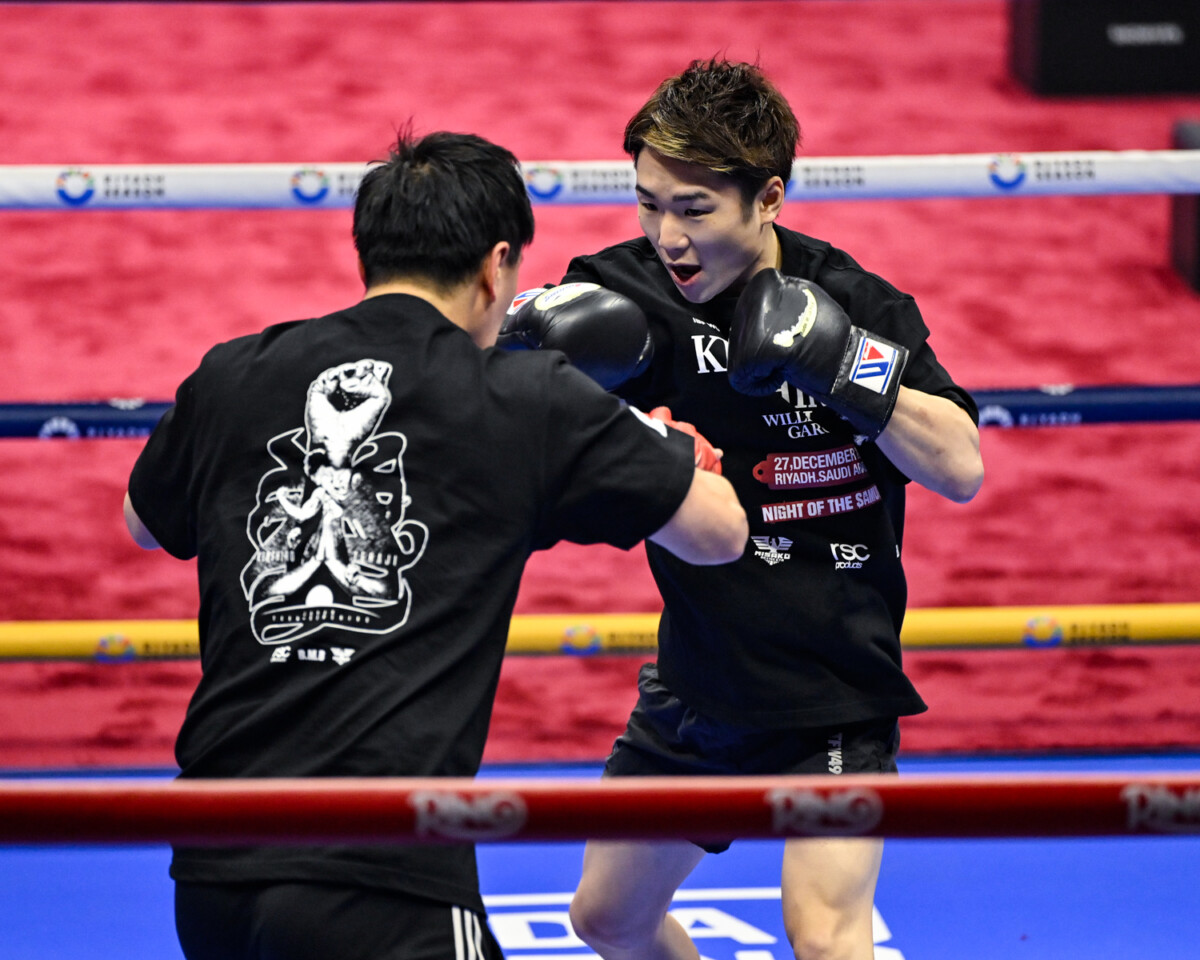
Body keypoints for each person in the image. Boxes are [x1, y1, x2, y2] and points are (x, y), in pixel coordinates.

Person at [123, 128, 748, 960]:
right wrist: (646, 432)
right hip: (385, 881)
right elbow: (720, 535)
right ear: (498, 266)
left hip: (211, 874)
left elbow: (140, 521)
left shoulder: (234, 371)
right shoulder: (524, 398)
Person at [498, 60, 984, 960]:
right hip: (697, 684)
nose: (667, 236)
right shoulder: (617, 294)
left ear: (768, 197)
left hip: (836, 689)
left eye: (693, 209)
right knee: (606, 919)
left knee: (828, 936)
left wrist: (841, 367)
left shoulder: (853, 302)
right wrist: (536, 362)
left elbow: (959, 466)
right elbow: (494, 402)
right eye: (648, 204)